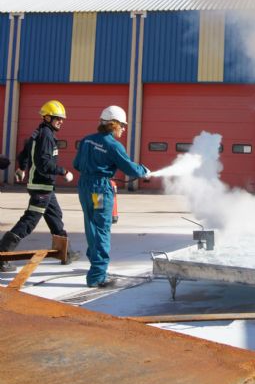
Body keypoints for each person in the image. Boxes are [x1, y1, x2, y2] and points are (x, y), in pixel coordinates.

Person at [73, 105, 150, 289]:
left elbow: (76, 164)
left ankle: (95, 262)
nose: (124, 129)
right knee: (101, 229)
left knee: (91, 226)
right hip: (99, 190)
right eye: (122, 125)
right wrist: (144, 171)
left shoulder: (86, 140)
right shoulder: (113, 145)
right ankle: (98, 276)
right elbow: (129, 168)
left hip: (84, 187)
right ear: (114, 125)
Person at [0, 100, 80, 272]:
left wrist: (22, 167)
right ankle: (2, 254)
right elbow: (44, 164)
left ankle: (66, 253)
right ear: (47, 117)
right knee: (29, 221)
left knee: (55, 216)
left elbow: (25, 152)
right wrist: (63, 171)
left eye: (62, 119)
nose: (61, 121)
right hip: (41, 187)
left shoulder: (39, 133)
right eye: (57, 118)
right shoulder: (46, 136)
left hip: (45, 187)